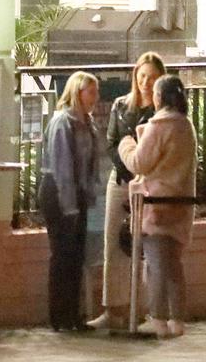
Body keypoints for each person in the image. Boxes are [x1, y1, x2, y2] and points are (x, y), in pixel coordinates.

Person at [118, 74, 197, 339]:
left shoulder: (159, 125)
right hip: (181, 203)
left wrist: (126, 145)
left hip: (155, 204)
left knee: (154, 266)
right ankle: (177, 319)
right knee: (174, 265)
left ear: (159, 96)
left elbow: (140, 163)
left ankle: (159, 318)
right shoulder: (186, 126)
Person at [90, 52, 165, 330]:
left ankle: (146, 310)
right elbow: (111, 142)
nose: (146, 82)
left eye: (152, 77)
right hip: (120, 180)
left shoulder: (162, 113)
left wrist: (141, 167)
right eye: (142, 76)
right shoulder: (121, 105)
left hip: (150, 184)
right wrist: (128, 167)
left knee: (146, 246)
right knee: (114, 244)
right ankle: (113, 309)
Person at [39, 71, 100, 332]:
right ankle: (60, 316)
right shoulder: (63, 122)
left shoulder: (86, 122)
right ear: (77, 92)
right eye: (91, 92)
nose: (95, 98)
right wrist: (70, 205)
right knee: (62, 254)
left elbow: (90, 165)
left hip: (76, 193)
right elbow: (62, 166)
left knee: (76, 256)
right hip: (59, 191)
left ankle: (74, 315)